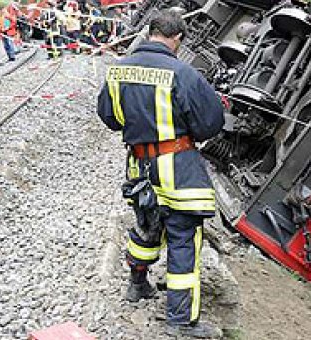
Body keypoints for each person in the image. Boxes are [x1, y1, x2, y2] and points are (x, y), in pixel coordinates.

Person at [96, 9, 225, 339]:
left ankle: (137, 284)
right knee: (183, 236)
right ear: (177, 38)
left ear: (150, 32)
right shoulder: (183, 73)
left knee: (147, 223)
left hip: (139, 166)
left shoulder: (118, 70)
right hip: (178, 167)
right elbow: (211, 123)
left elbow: (108, 117)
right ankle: (180, 321)